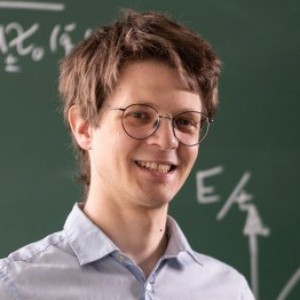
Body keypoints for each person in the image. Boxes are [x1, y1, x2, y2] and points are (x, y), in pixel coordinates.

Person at [0, 10, 255, 299]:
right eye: (139, 115)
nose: (166, 140)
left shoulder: (229, 291)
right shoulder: (17, 288)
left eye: (185, 121)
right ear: (83, 127)